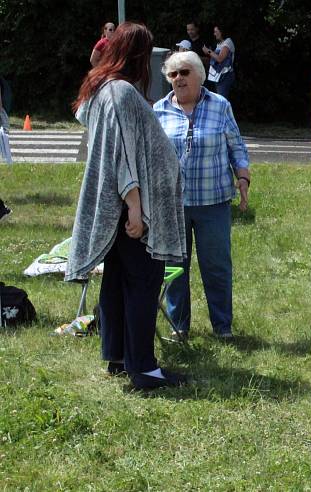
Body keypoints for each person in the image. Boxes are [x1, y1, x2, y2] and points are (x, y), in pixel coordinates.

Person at [68, 22, 187, 390]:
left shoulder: (103, 88)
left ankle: (118, 357)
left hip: (120, 207)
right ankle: (144, 368)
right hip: (131, 209)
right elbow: (122, 156)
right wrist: (135, 208)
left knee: (118, 281)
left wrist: (96, 61)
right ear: (138, 54)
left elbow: (84, 115)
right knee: (143, 282)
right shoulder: (120, 92)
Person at [154, 51, 250, 341]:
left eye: (184, 72)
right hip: (171, 205)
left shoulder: (220, 106)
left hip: (213, 201)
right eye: (173, 74)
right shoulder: (158, 110)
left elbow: (237, 147)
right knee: (173, 269)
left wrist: (243, 178)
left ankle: (223, 327)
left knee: (217, 267)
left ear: (199, 74)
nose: (178, 79)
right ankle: (178, 326)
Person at [203, 25, 235, 99]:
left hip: (225, 76)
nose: (214, 34)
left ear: (221, 32)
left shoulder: (228, 41)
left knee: (221, 99)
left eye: (216, 32)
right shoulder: (219, 44)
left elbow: (220, 59)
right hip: (218, 76)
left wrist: (208, 51)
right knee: (219, 98)